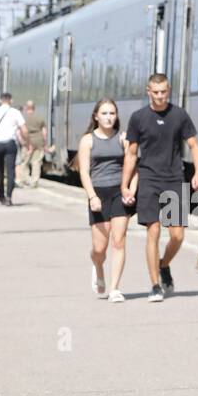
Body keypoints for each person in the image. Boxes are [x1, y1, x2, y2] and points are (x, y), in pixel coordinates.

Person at [121, 74, 198, 302]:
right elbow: (131, 153)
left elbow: (194, 145)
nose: (159, 96)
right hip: (149, 179)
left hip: (174, 179)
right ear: (148, 91)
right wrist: (125, 185)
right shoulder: (138, 118)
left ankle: (164, 264)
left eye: (163, 92)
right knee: (154, 230)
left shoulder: (179, 115)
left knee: (177, 235)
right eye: (155, 92)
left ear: (169, 91)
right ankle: (155, 284)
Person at [77, 98, 136, 304]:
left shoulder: (124, 138)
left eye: (112, 113)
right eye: (104, 113)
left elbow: (133, 167)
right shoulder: (88, 140)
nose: (109, 117)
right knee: (99, 248)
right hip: (98, 194)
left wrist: (130, 190)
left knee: (118, 241)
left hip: (119, 193)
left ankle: (115, 288)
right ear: (96, 116)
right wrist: (92, 196)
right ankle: (98, 267)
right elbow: (84, 172)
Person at [0, 92, 28, 206]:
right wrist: (26, 142)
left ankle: (1, 195)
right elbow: (24, 129)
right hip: (10, 144)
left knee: (0, 170)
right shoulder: (16, 112)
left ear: (0, 100)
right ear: (11, 100)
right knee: (11, 171)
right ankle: (9, 197)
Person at [19, 100, 50, 188]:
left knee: (25, 161)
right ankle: (35, 181)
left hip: (27, 141)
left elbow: (21, 131)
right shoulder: (39, 117)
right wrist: (44, 143)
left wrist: (23, 141)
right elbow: (44, 131)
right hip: (38, 140)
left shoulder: (23, 117)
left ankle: (25, 179)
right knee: (36, 162)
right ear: (34, 108)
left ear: (26, 107)